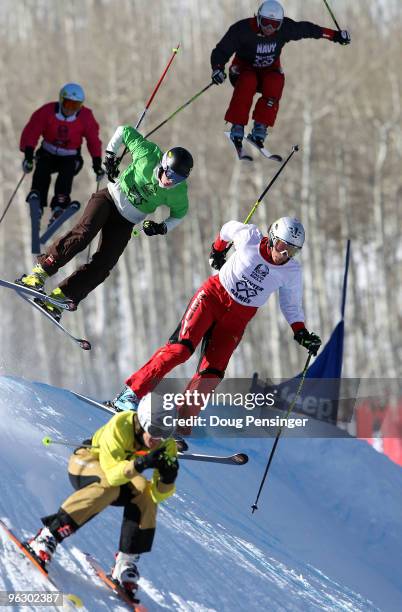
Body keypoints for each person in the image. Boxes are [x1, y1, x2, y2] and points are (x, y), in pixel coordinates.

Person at [109, 217, 322, 434]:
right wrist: (218, 251)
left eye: (292, 251)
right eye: (281, 246)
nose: (284, 255)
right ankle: (130, 394)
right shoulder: (250, 238)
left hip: (237, 319)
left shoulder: (291, 271)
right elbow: (228, 228)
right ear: (272, 239)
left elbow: (291, 305)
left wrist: (301, 332)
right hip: (212, 298)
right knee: (180, 350)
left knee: (212, 374)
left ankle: (182, 422)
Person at [17, 126, 194, 321]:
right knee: (83, 234)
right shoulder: (147, 153)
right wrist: (110, 156)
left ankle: (60, 298)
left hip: (126, 221)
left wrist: (162, 227)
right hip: (108, 200)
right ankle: (38, 275)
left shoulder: (178, 192)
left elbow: (179, 214)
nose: (171, 181)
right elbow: (124, 131)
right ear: (163, 165)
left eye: (178, 179)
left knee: (105, 264)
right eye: (170, 174)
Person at [28, 395, 179, 600]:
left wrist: (168, 479)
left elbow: (158, 495)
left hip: (122, 475)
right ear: (142, 421)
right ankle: (48, 536)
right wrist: (140, 464)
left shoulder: (166, 445)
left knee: (145, 492)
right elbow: (112, 475)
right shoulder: (120, 425)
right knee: (109, 487)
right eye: (155, 430)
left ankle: (125, 562)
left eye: (165, 432)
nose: (158, 439)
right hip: (87, 462)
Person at [210, 0, 351, 149]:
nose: (269, 28)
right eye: (265, 22)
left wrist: (335, 35)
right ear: (258, 18)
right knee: (248, 80)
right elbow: (221, 51)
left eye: (275, 24)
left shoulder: (286, 29)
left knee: (276, 81)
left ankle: (260, 127)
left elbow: (310, 30)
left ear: (281, 23)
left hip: (268, 73)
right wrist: (217, 68)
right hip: (243, 71)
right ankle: (237, 126)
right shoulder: (243, 30)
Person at [20, 83, 104, 226]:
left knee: (67, 172)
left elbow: (93, 140)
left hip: (70, 156)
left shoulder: (85, 117)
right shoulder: (47, 112)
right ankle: (37, 202)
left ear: (80, 106)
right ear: (61, 100)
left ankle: (60, 203)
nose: (70, 109)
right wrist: (28, 156)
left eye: (75, 106)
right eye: (67, 104)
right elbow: (32, 131)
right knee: (42, 168)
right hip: (48, 152)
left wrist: (97, 164)